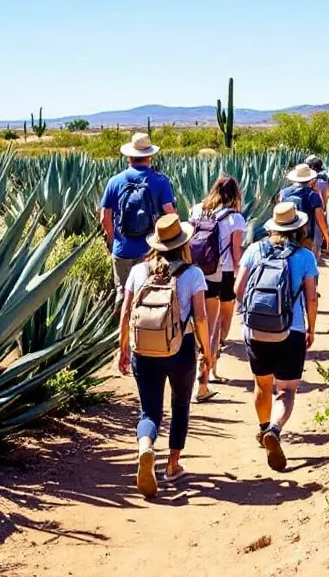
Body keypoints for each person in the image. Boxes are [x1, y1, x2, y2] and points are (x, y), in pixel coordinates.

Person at [118, 214, 214, 498]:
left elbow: (125, 312)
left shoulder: (138, 271)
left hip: (144, 349)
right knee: (181, 405)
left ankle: (145, 448)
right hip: (180, 349)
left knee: (149, 410)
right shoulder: (192, 274)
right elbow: (201, 317)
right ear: (182, 243)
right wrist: (207, 353)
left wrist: (123, 347)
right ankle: (172, 466)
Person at [235, 202, 319, 471]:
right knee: (286, 391)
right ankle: (274, 428)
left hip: (256, 330)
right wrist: (311, 328)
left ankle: (262, 429)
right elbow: (311, 299)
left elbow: (238, 289)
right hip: (290, 331)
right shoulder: (305, 257)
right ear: (297, 228)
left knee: (262, 385)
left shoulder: (254, 249)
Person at [100, 133, 177, 318]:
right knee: (148, 295)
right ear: (149, 156)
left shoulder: (115, 181)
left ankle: (123, 334)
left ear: (129, 156)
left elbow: (104, 217)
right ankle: (146, 337)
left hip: (122, 250)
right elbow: (170, 214)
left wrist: (112, 239)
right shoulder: (160, 181)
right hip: (150, 251)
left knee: (123, 295)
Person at [188, 174, 246, 401]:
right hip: (222, 273)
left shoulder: (196, 210)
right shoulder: (235, 219)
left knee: (198, 322)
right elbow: (236, 252)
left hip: (195, 272)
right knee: (213, 325)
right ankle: (204, 378)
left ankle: (207, 370)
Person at [277, 163, 329, 256]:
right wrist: (326, 235)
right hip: (305, 234)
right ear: (310, 179)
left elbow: (279, 211)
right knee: (305, 258)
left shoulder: (284, 193)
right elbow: (320, 216)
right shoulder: (312, 195)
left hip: (286, 232)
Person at [306, 156, 329, 255]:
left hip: (303, 219)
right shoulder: (324, 184)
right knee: (315, 248)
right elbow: (326, 205)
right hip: (317, 220)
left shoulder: (300, 184)